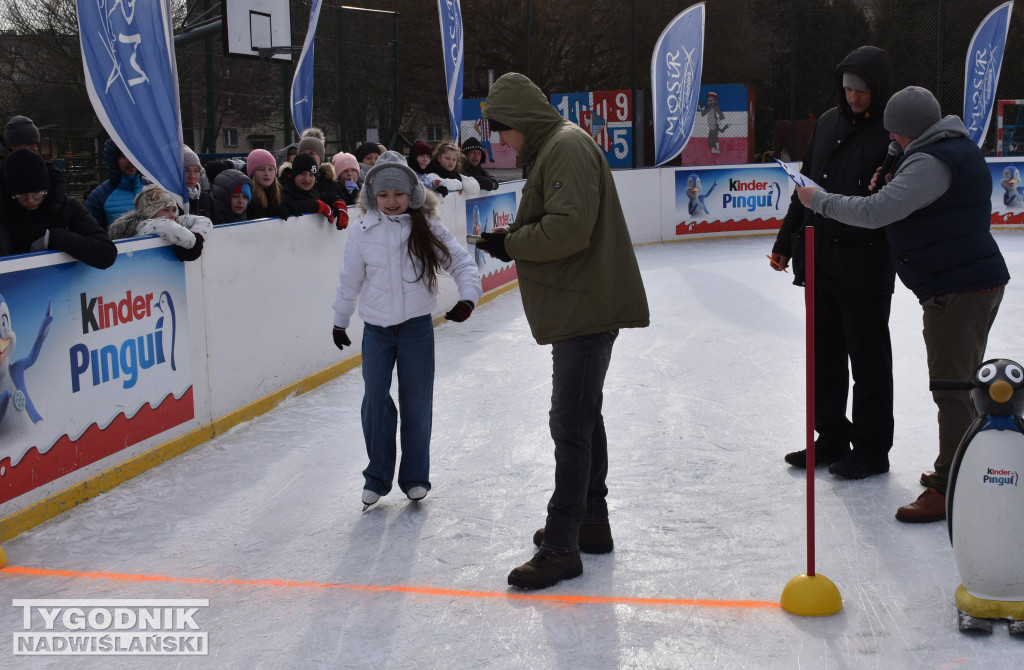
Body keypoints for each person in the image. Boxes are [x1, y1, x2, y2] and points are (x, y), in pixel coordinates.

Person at [796, 85, 1010, 523]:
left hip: (959, 288)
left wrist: (816, 199)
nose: (892, 141)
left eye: (897, 133)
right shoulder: (947, 148)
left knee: (951, 388)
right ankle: (958, 469)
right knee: (958, 384)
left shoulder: (931, 161)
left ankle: (949, 486)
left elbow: (876, 212)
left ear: (913, 130)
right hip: (966, 281)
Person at [475, 73, 650, 589]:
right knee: (583, 418)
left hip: (585, 304)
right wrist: (509, 240)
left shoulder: (566, 147)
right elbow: (563, 220)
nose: (501, 143)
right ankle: (591, 523)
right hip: (582, 300)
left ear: (521, 123)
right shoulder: (559, 146)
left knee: (569, 426)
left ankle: (562, 545)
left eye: (503, 131)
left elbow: (569, 229)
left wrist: (512, 244)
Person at [769, 46, 897, 480]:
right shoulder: (827, 122)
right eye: (848, 89)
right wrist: (786, 240)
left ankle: (872, 449)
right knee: (824, 358)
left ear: (878, 89)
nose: (854, 97)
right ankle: (831, 439)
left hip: (864, 268)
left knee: (869, 363)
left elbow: (891, 202)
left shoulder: (891, 133)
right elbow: (805, 186)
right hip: (820, 261)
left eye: (862, 90)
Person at [331, 150, 482, 508]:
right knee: (374, 403)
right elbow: (349, 280)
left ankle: (415, 477)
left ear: (411, 194)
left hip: (416, 327)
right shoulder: (362, 231)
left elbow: (460, 260)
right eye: (383, 195)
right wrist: (340, 321)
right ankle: (377, 476)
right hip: (377, 331)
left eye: (398, 194)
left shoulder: (425, 226)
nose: (391, 201)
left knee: (416, 401)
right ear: (372, 197)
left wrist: (469, 297)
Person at [0, 148, 116, 269]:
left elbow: (107, 253)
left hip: (62, 284)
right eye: (21, 194)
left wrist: (55, 238)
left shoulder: (67, 207)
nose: (30, 200)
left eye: (37, 192)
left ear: (46, 188)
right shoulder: (3, 212)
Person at [107, 184, 212, 262]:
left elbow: (204, 221)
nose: (172, 215)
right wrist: (192, 243)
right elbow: (166, 226)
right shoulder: (142, 227)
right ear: (150, 212)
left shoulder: (174, 220)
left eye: (174, 210)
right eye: (166, 210)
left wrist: (197, 236)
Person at [84, 138, 149, 229]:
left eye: (131, 154)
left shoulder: (152, 188)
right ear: (113, 161)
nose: (129, 161)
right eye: (123, 156)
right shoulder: (99, 196)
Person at [280, 153, 344, 228]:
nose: (307, 179)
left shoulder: (312, 190)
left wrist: (338, 202)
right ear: (294, 174)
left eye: (311, 175)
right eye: (302, 174)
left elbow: (323, 197)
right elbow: (290, 205)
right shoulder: (283, 189)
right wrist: (316, 205)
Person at [246, 149, 288, 220]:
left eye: (271, 169)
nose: (267, 174)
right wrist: (271, 212)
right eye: (261, 169)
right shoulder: (247, 196)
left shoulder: (281, 192)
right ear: (253, 173)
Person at [183, 146, 214, 218]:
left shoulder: (206, 199)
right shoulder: (170, 202)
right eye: (186, 171)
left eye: (196, 171)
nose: (192, 176)